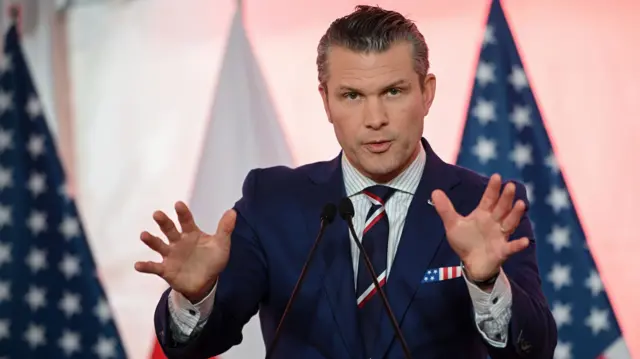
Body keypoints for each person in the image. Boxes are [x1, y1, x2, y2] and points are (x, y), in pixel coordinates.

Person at [135, 5, 557, 359]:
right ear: (326, 101)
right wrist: (195, 296)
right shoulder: (272, 203)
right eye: (352, 96)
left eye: (393, 91)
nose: (374, 119)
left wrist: (486, 284)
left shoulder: (483, 206)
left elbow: (533, 350)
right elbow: (197, 345)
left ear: (426, 93)